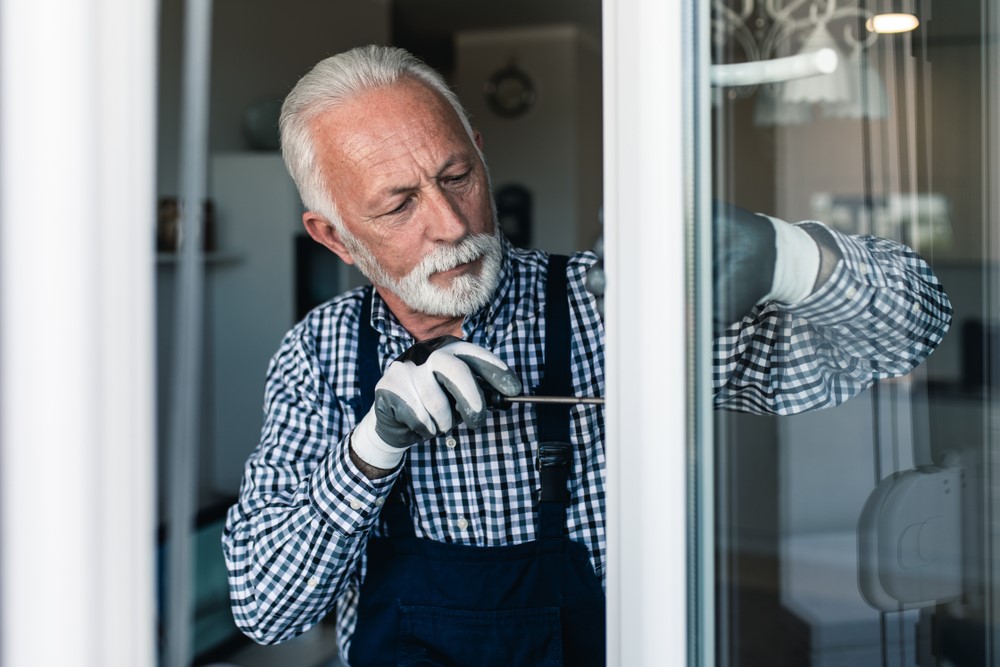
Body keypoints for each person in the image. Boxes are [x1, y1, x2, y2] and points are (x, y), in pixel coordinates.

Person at [222, 44, 952, 665]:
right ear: (334, 237)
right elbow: (264, 607)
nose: (449, 223)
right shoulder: (319, 355)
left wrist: (791, 258)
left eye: (456, 177)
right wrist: (371, 451)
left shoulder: (614, 307)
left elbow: (911, 330)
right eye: (398, 205)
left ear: (480, 149)